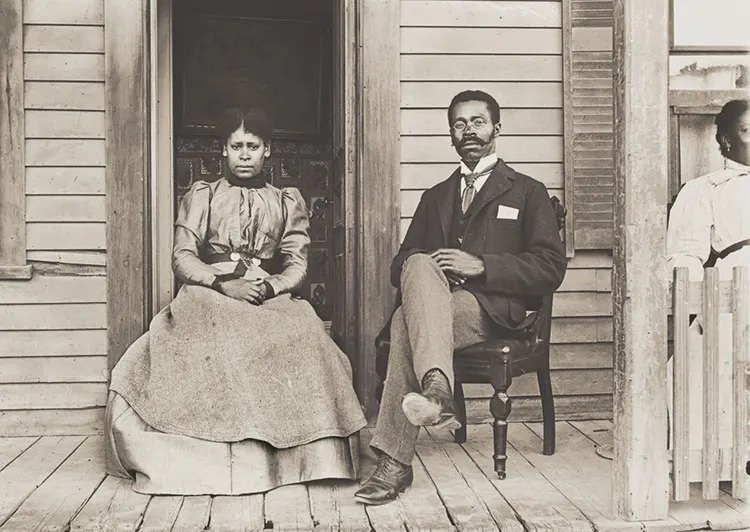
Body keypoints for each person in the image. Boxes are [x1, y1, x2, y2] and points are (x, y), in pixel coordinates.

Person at [105, 108, 367, 495]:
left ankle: (307, 457)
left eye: (253, 146)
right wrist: (223, 283)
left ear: (268, 151)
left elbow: (297, 261)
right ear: (224, 151)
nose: (245, 154)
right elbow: (182, 256)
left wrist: (273, 286)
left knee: (308, 332)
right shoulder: (203, 194)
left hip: (264, 289)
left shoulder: (285, 200)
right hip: (211, 290)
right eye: (236, 146)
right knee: (220, 337)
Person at [354, 90, 567, 506]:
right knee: (415, 265)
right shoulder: (436, 196)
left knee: (403, 325)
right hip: (437, 307)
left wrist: (481, 265)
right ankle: (436, 391)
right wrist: (429, 268)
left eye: (478, 122)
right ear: (450, 134)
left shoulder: (527, 191)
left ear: (496, 129)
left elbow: (549, 268)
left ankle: (397, 461)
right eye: (459, 124)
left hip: (493, 310)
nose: (468, 131)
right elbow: (400, 266)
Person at [666, 99, 750, 460]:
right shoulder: (707, 188)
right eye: (748, 131)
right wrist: (696, 301)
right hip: (736, 286)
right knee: (702, 362)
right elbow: (685, 254)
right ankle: (720, 458)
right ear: (726, 141)